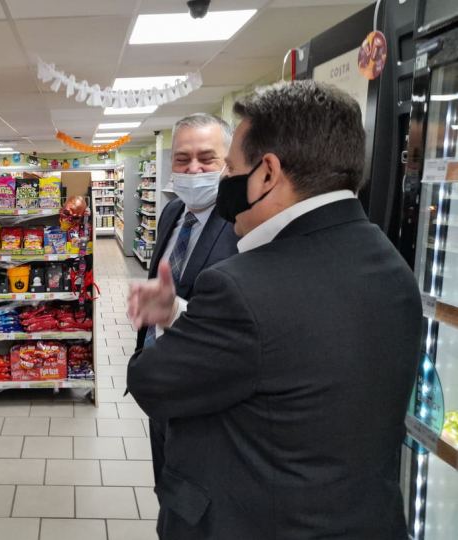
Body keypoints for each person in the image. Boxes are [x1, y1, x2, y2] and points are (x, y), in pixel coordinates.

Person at [126, 80, 421, 540]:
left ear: (266, 173)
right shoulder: (391, 265)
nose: (223, 188)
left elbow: (151, 380)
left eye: (230, 172)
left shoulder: (244, 284)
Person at [135, 113, 239, 488]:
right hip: (161, 385)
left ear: (229, 163)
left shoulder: (243, 225)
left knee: (195, 497)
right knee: (165, 489)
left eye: (206, 158)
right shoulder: (172, 212)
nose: (193, 168)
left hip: (206, 400)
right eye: (182, 158)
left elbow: (241, 320)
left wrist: (175, 311)